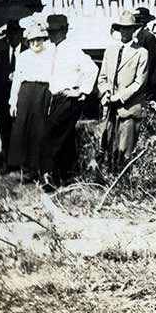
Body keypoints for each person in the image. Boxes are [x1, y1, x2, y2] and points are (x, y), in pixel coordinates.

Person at [43, 14, 98, 185]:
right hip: (56, 98)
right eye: (50, 31)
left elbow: (92, 68)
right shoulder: (53, 50)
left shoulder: (72, 49)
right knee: (64, 139)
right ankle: (66, 177)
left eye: (55, 31)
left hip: (68, 100)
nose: (51, 35)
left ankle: (52, 178)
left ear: (63, 31)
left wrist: (81, 91)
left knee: (52, 135)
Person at [97, 11, 149, 167]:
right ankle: (107, 178)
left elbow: (139, 82)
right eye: (122, 28)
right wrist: (106, 93)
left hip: (129, 107)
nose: (125, 32)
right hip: (110, 108)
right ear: (118, 30)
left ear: (134, 30)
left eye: (129, 28)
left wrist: (119, 97)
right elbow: (103, 77)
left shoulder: (141, 53)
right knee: (107, 144)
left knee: (125, 150)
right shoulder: (110, 50)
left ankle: (124, 185)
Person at [7, 18, 55, 179]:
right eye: (33, 40)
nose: (36, 43)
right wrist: (13, 102)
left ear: (44, 40)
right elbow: (17, 80)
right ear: (28, 41)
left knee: (39, 131)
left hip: (42, 93)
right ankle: (25, 169)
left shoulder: (50, 55)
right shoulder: (23, 57)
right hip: (26, 94)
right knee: (23, 130)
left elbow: (53, 78)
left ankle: (39, 169)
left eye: (39, 39)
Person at [0, 20, 23, 170]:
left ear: (21, 35)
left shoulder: (27, 53)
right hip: (4, 101)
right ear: (7, 36)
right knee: (5, 131)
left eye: (17, 33)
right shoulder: (1, 55)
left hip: (21, 100)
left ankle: (21, 162)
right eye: (11, 34)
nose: (14, 37)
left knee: (20, 131)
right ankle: (7, 162)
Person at [132, 7, 156, 99]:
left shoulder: (148, 36)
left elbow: (152, 59)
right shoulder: (131, 35)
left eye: (137, 19)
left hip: (145, 76)